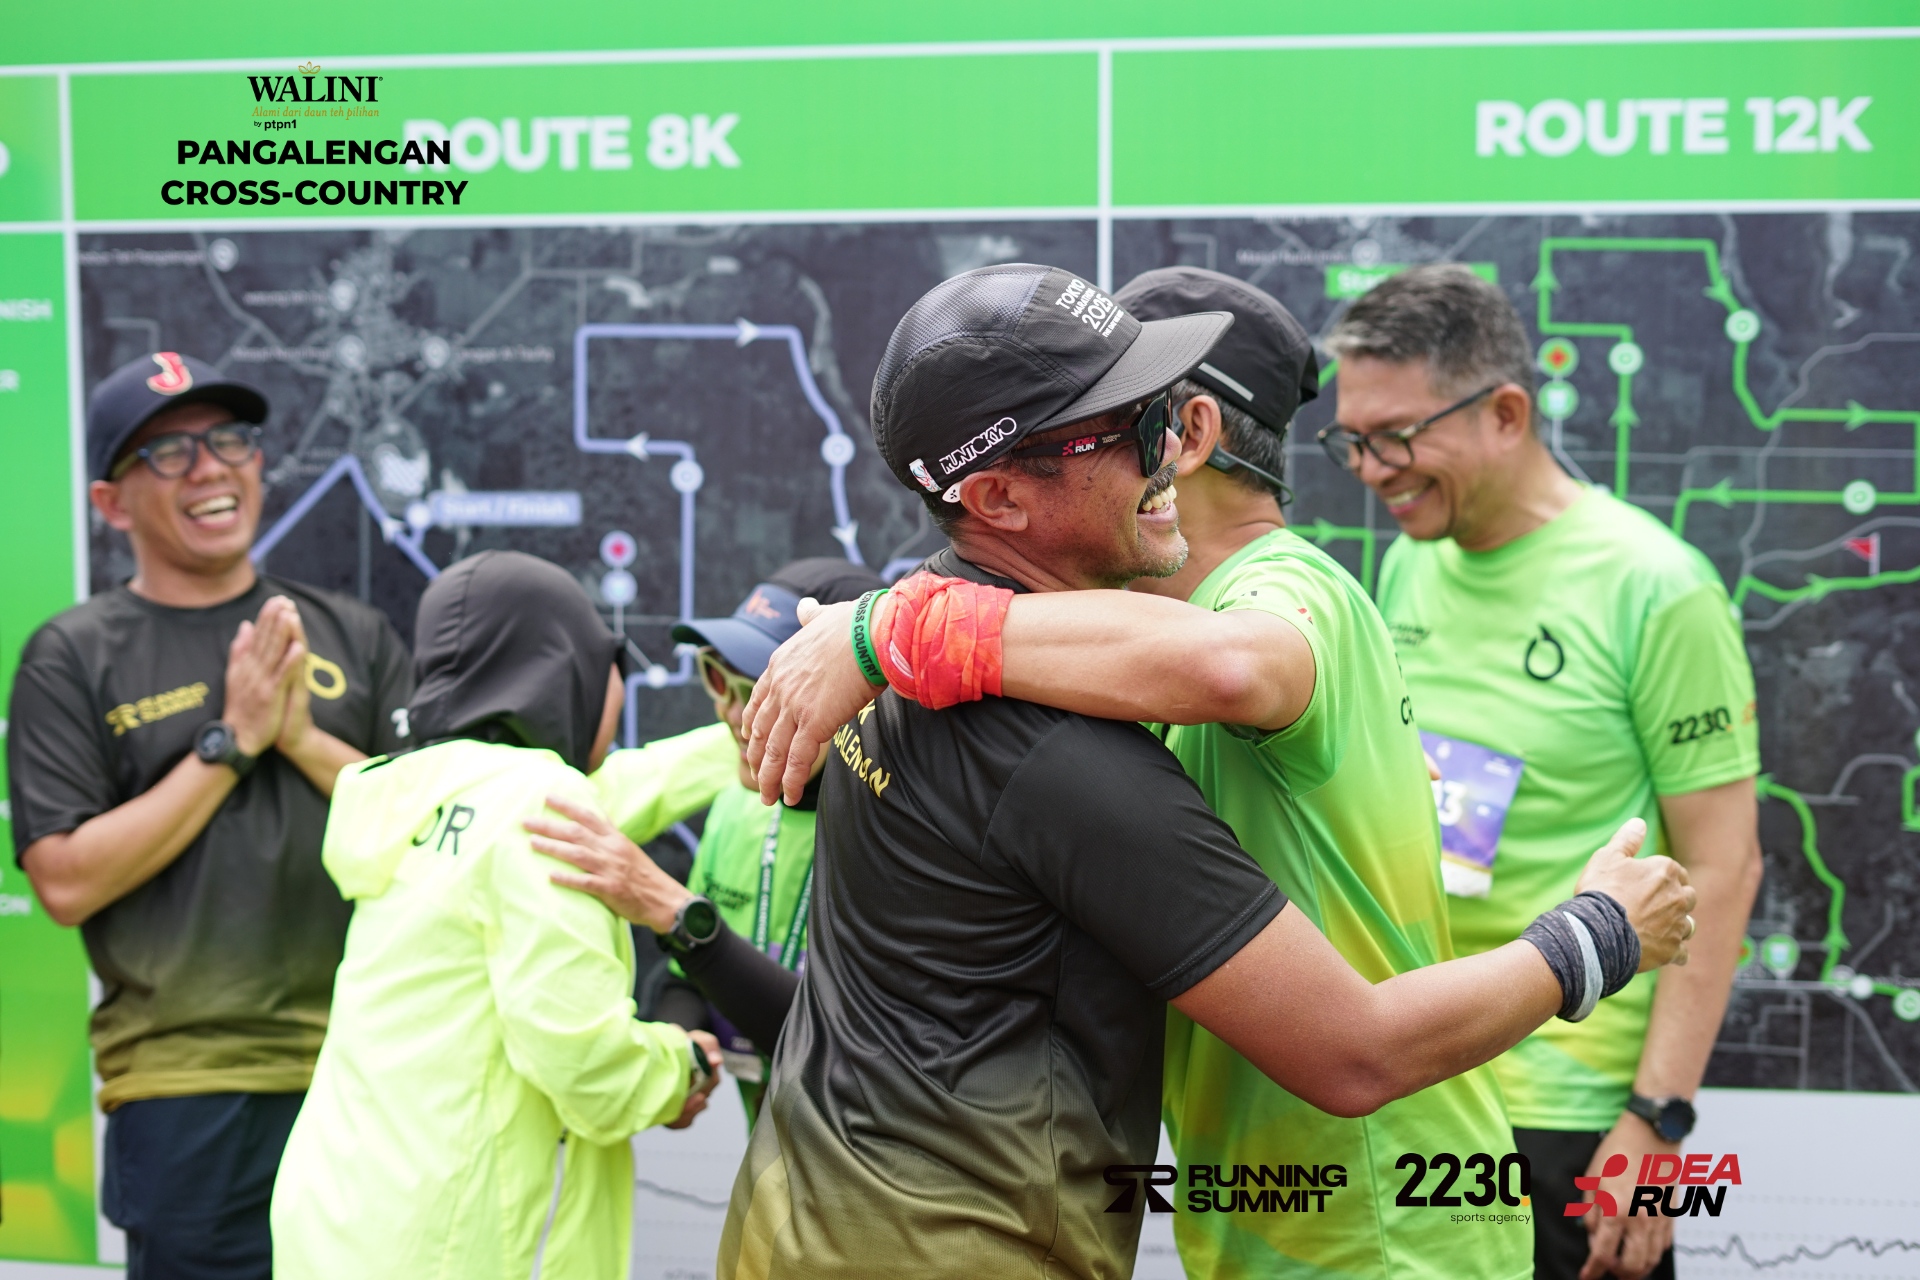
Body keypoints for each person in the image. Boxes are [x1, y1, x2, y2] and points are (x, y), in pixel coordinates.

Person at [717, 263, 1695, 1280]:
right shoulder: (1028, 702)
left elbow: (1234, 669)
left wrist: (889, 624)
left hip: (1375, 1226)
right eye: (1135, 424)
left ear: (1202, 431)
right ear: (997, 495)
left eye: (1165, 417)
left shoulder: (954, 655)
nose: (1164, 457)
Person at [1323, 264, 1762, 1280]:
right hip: (1429, 1086)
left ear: (1507, 413)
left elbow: (1725, 866)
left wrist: (1656, 1120)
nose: (1372, 469)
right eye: (1353, 440)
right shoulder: (1411, 558)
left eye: (1397, 436)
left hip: (1571, 1115)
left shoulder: (1657, 587)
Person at [6, 352, 412, 1279]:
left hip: (366, 1073)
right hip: (185, 1089)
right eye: (170, 453)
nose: (211, 469)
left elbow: (433, 834)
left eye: (230, 440)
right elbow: (64, 881)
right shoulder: (72, 657)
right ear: (111, 504)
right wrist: (228, 744)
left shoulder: (351, 634)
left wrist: (301, 740)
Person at [269, 550, 725, 1280]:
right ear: (563, 669)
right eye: (608, 665)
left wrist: (745, 738)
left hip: (339, 1217)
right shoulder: (540, 808)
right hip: (454, 1243)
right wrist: (682, 1067)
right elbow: (588, 1067)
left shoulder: (413, 789)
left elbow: (620, 788)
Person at [522, 559, 887, 1126]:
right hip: (778, 1150)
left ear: (855, 700)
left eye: (765, 688)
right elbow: (685, 978)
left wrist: (676, 914)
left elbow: (845, 1048)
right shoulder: (739, 806)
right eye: (718, 679)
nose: (736, 713)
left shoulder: (901, 840)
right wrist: (681, 1053)